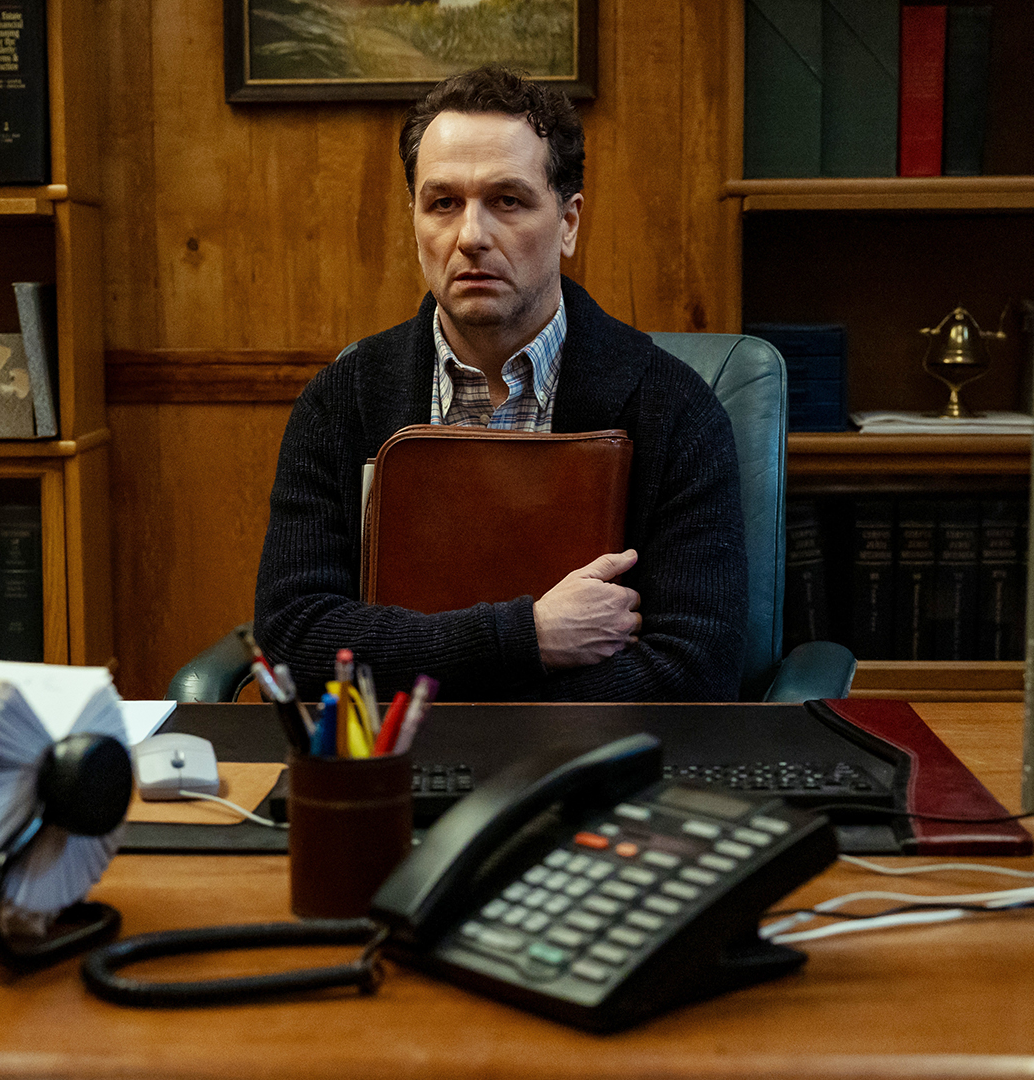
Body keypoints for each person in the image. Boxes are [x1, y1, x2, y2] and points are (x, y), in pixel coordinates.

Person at [252, 66, 746, 701]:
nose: (471, 236)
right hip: (389, 772)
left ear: (568, 223)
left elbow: (697, 670)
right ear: (414, 222)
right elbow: (295, 637)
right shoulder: (341, 401)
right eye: (443, 203)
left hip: (586, 771)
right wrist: (527, 639)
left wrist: (444, 678)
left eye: (507, 201)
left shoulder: (675, 408)